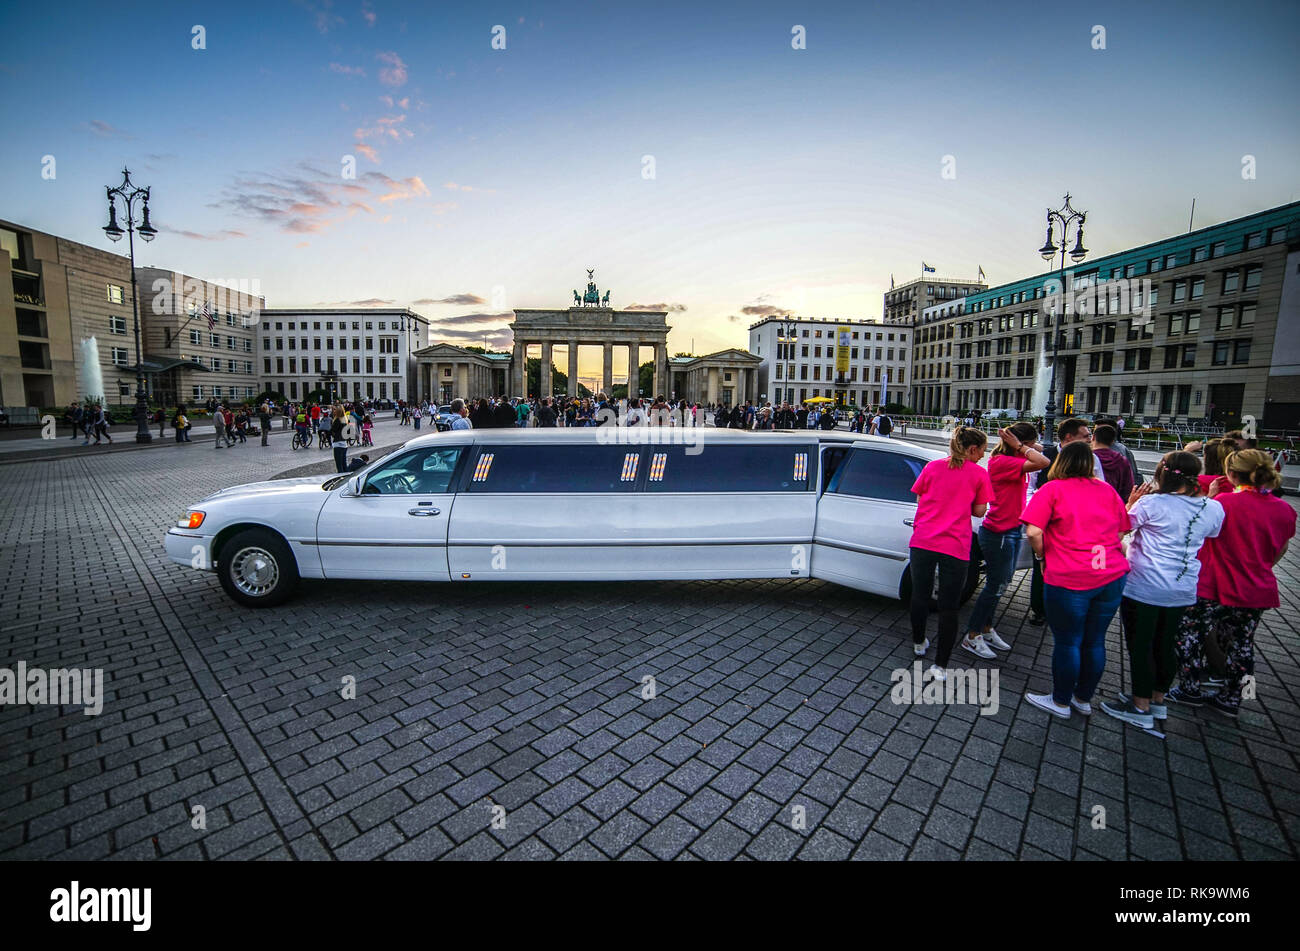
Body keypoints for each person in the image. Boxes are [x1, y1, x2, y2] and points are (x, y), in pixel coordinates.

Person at [1100, 452, 1224, 730]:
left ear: (1162, 474)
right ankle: (1157, 700)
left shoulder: (1151, 504)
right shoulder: (1213, 508)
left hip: (1145, 585)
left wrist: (1130, 504)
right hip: (1183, 587)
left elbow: (1118, 531)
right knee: (1167, 643)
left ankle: (1139, 706)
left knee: (1141, 645)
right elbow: (1212, 533)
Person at [1168, 449, 1296, 717]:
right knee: (1241, 643)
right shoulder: (1284, 510)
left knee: (1188, 633)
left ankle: (1189, 688)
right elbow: (1281, 549)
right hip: (1256, 588)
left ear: (1232, 474)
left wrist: (1211, 496)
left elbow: (1196, 528)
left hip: (1215, 583)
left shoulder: (1224, 502)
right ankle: (1232, 698)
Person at [1021, 442, 1131, 721]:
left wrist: (1043, 556)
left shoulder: (1052, 490)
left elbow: (1034, 532)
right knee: (1095, 641)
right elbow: (1121, 531)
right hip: (1110, 573)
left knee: (1068, 642)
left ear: (1062, 462)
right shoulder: (1107, 490)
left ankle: (1059, 702)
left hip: (1069, 576)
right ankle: (1083, 699)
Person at [907, 426, 993, 681]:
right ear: (972, 449)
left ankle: (919, 642)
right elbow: (979, 512)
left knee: (920, 596)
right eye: (982, 451)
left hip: (922, 540)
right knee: (948, 607)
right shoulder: (979, 474)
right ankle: (941, 666)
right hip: (955, 545)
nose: (983, 455)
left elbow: (921, 501)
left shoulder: (932, 467)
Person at [964, 424, 1050, 657]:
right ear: (1017, 444)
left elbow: (1042, 451)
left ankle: (986, 627)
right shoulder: (1003, 462)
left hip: (1010, 530)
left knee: (1000, 584)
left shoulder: (1011, 458)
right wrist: (1021, 445)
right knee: (995, 587)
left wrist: (1020, 444)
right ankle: (971, 635)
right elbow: (1044, 462)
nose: (1033, 448)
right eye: (1029, 444)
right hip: (998, 533)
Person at [1028, 417, 1107, 624]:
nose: (1090, 439)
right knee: (1042, 569)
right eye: (1085, 436)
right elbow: (1030, 488)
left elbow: (1101, 490)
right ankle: (1040, 609)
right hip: (1048, 522)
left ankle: (1070, 606)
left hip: (1079, 525)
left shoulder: (1093, 459)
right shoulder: (1046, 455)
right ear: (1069, 437)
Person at [1092, 424, 1134, 501]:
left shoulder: (1088, 459)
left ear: (1093, 437)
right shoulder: (1122, 461)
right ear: (1112, 441)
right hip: (1115, 505)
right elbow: (1128, 488)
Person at [331, 408, 349, 473]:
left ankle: (341, 478)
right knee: (344, 463)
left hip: (338, 443)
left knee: (339, 464)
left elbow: (333, 430)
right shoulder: (345, 420)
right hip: (344, 443)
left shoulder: (337, 420)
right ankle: (347, 476)